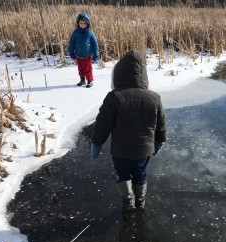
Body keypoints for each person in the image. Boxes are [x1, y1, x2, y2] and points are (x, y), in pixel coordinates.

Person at [90, 50, 166, 212]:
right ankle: (140, 200)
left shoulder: (114, 97)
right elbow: (161, 124)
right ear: (144, 77)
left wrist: (96, 144)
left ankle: (128, 199)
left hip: (120, 150)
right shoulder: (154, 98)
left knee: (122, 173)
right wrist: (160, 141)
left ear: (118, 75)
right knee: (140, 173)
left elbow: (102, 124)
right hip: (143, 150)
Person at [68, 12, 99, 88]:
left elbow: (95, 44)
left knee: (88, 69)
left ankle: (90, 81)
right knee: (80, 69)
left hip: (87, 56)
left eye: (84, 23)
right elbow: (71, 43)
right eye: (81, 23)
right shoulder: (75, 33)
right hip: (78, 55)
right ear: (78, 23)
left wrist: (96, 54)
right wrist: (71, 53)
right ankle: (82, 80)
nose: (82, 24)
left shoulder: (90, 33)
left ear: (87, 24)